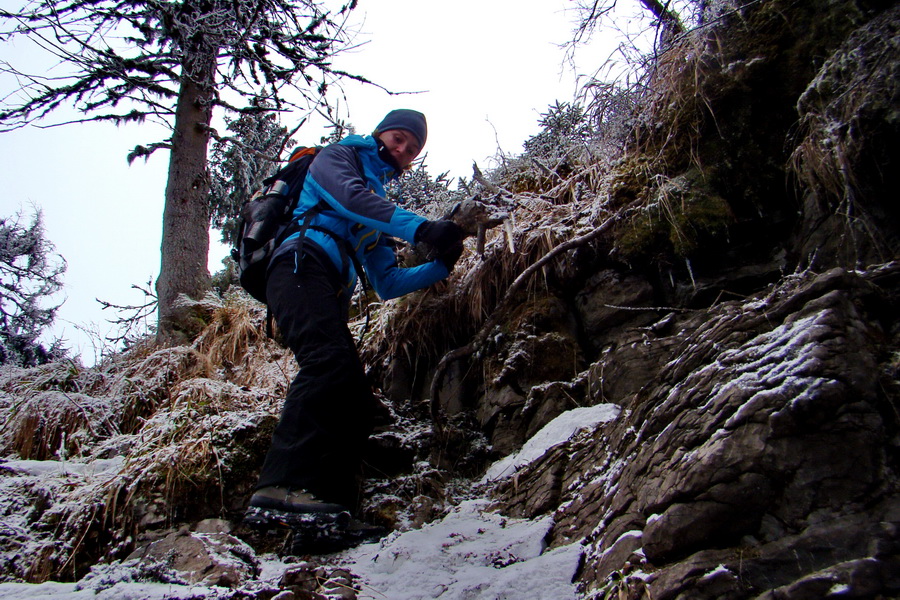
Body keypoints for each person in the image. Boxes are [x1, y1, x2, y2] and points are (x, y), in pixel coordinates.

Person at [245, 109, 464, 552]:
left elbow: (387, 282)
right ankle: (282, 484)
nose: (402, 150)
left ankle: (326, 512)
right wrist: (422, 228)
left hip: (324, 284)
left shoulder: (375, 201)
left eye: (412, 148)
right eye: (398, 138)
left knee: (352, 391)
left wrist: (441, 265)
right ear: (380, 132)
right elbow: (348, 198)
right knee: (327, 364)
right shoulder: (338, 157)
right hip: (298, 264)